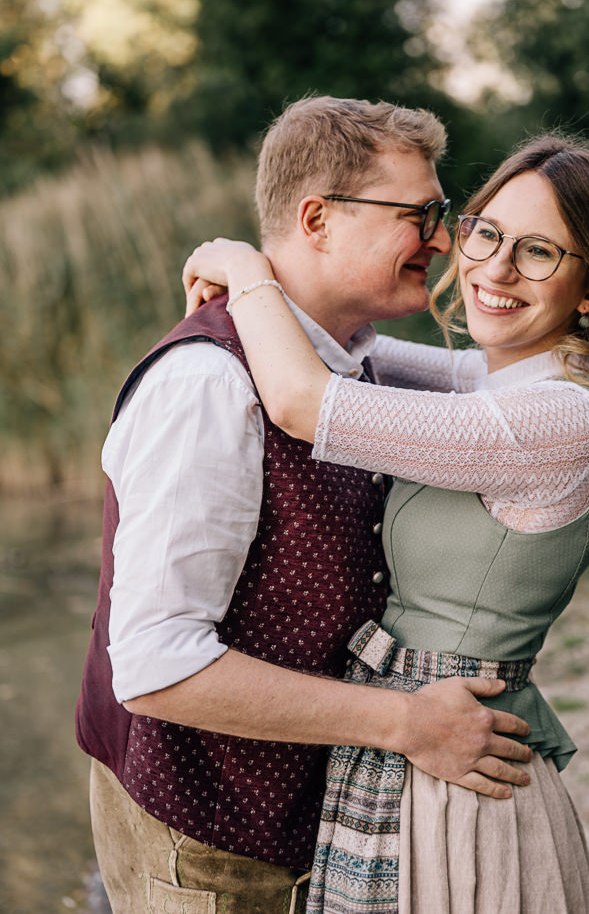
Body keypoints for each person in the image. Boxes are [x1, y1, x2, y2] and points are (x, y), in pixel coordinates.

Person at [182, 131, 589, 913]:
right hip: (423, 744)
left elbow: (305, 400)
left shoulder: (558, 421)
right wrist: (285, 282)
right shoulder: (508, 381)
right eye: (486, 233)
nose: (495, 269)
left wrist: (245, 268)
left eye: (539, 251)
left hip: (456, 779)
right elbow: (358, 353)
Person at [74, 96, 537, 914]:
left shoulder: (351, 361)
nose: (441, 241)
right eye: (419, 215)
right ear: (317, 219)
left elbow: (526, 388)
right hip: (207, 845)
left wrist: (243, 265)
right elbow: (154, 664)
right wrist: (407, 723)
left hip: (293, 823)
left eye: (441, 215)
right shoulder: (208, 383)